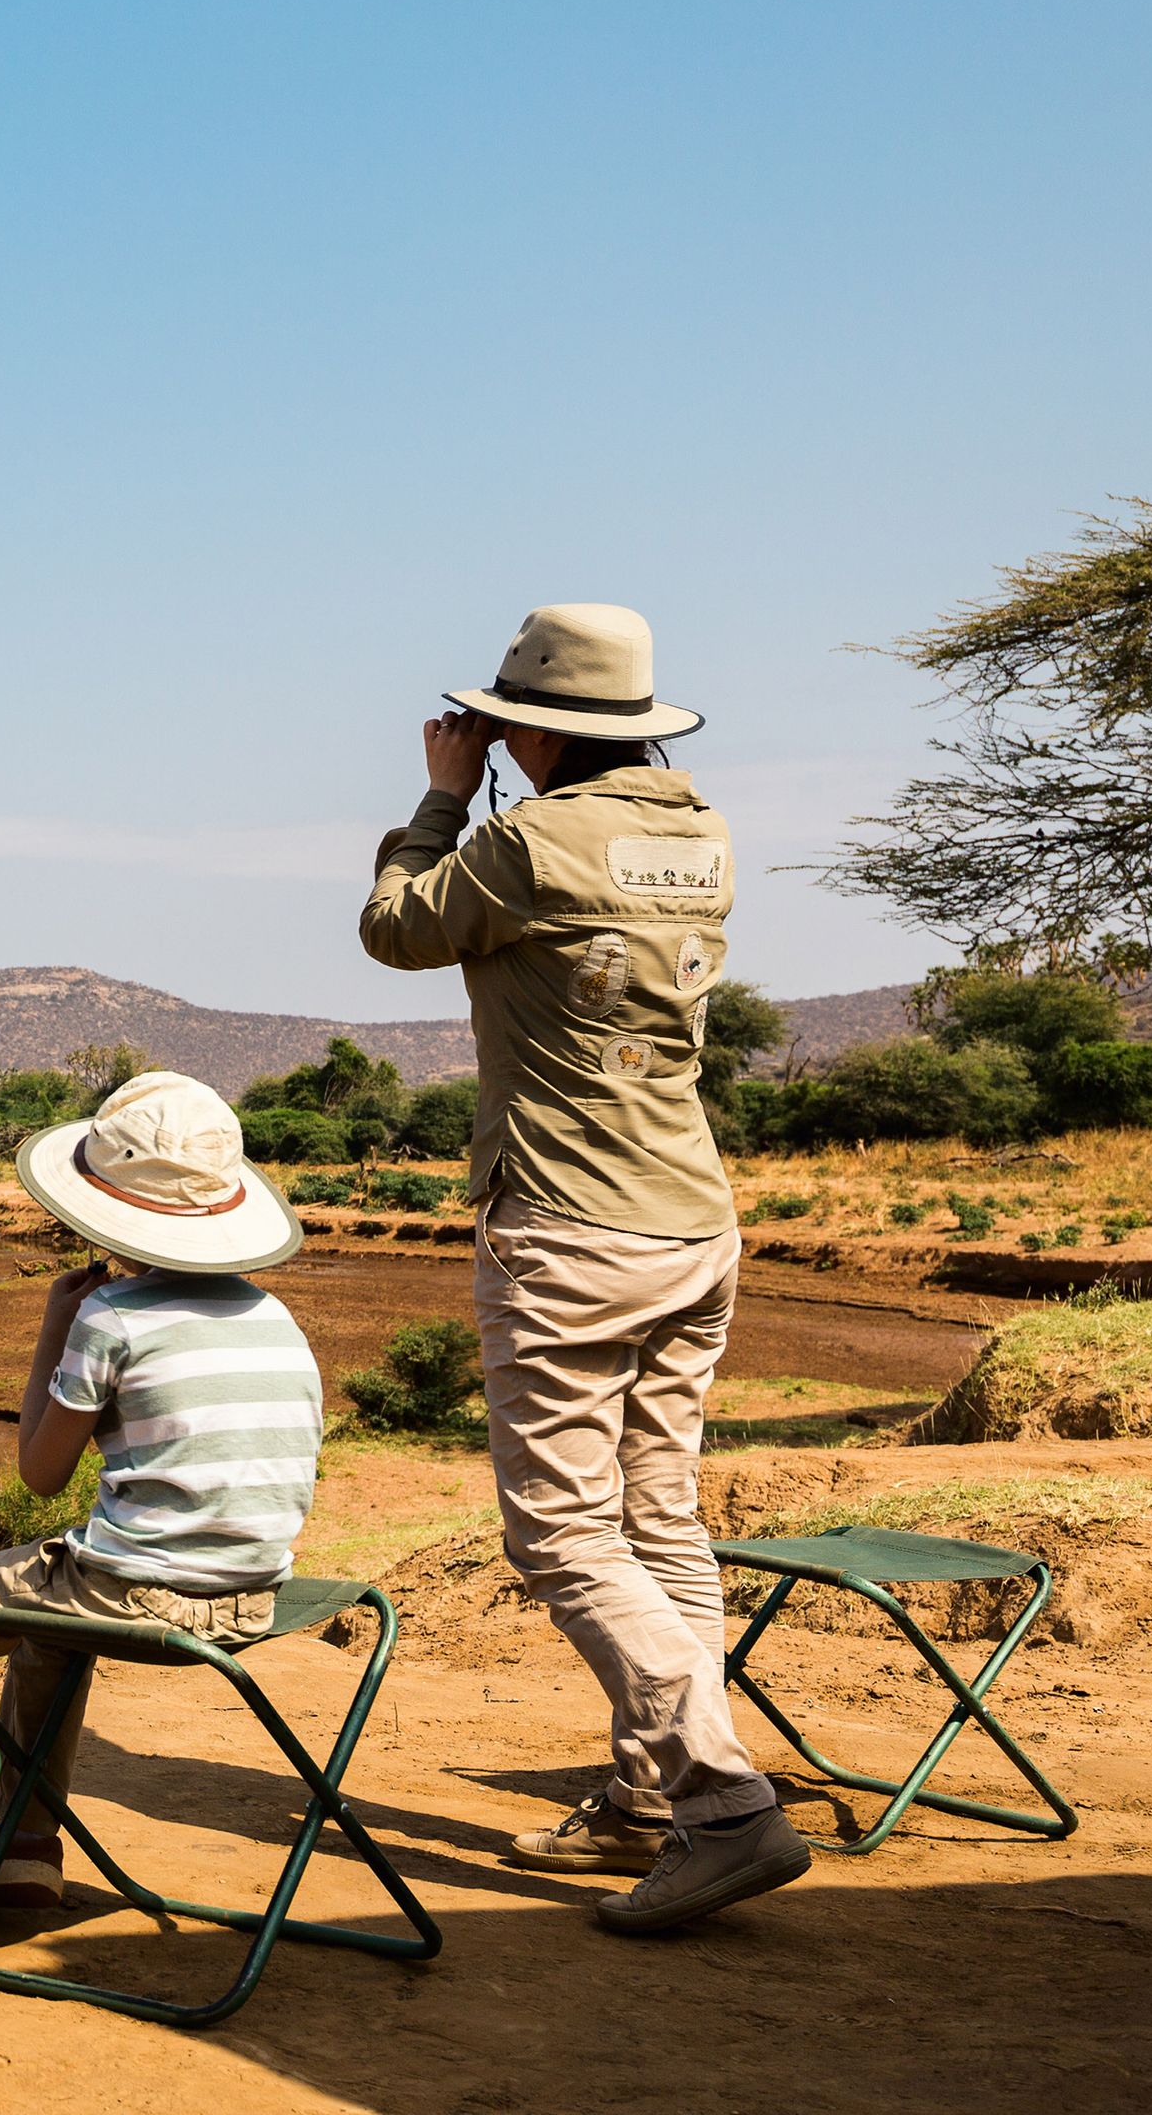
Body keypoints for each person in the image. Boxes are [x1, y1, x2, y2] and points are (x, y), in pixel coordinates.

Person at [357, 602, 811, 1934]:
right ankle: (649, 1798)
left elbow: (394, 929)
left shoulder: (521, 842)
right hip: (692, 1218)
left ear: (533, 729)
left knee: (560, 1532)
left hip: (570, 1228)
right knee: (659, 1515)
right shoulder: (703, 835)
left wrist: (439, 797)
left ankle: (722, 1806)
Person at [0, 1070, 324, 1947]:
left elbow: (39, 1473)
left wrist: (51, 1338)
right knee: (53, 1620)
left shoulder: (108, 1314)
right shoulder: (272, 1313)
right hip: (255, 1592)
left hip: (141, 1594)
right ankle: (26, 1851)